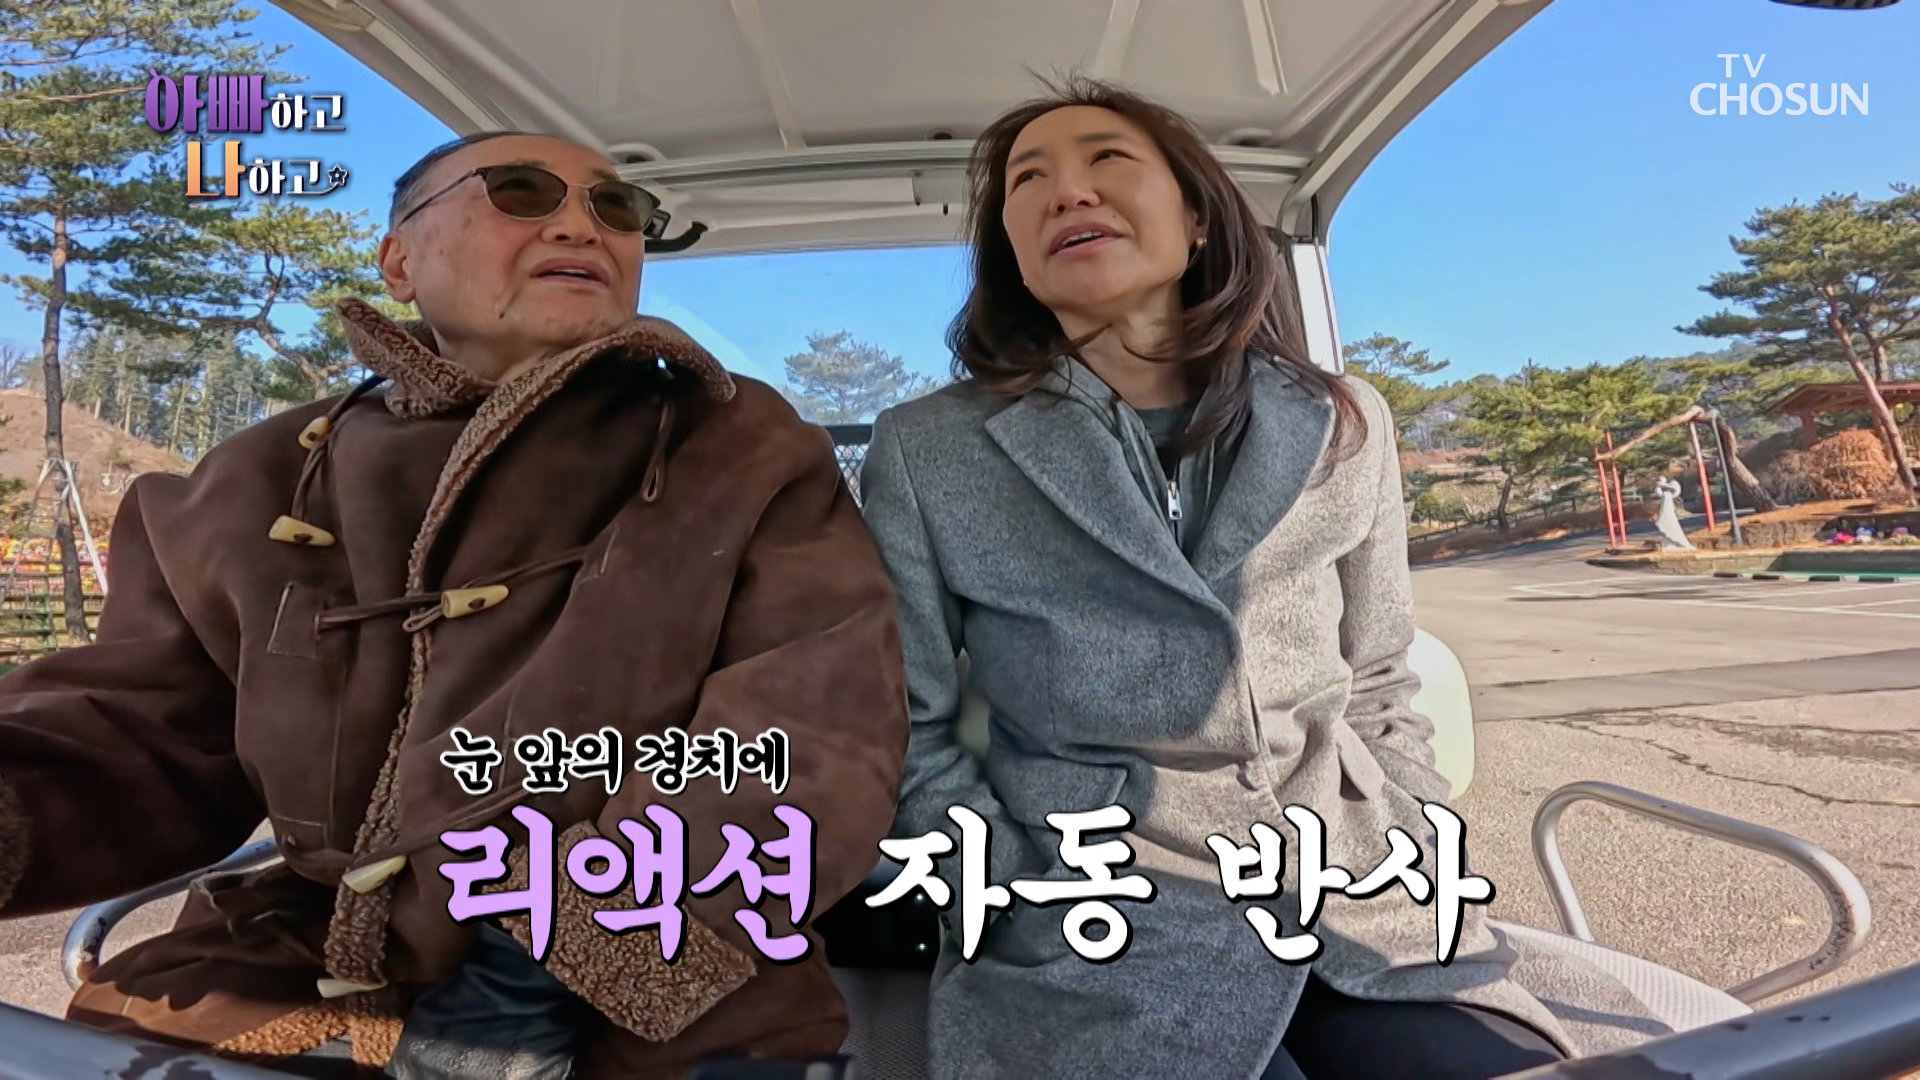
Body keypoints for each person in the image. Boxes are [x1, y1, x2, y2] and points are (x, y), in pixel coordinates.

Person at [0, 130, 908, 1078]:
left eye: (616, 207)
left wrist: (543, 968)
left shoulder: (741, 445)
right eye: (521, 191)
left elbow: (810, 735)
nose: (581, 225)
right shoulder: (262, 476)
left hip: (656, 991)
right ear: (399, 261)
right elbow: (139, 732)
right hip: (292, 967)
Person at [857, 77, 1673, 1080]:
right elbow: (901, 726)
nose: (1067, 191)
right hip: (1096, 910)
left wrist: (1417, 829)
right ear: (1014, 255)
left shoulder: (1344, 420)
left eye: (1107, 158)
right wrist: (1009, 889)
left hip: (1365, 890)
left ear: (1198, 219)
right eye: (1029, 181)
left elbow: (1380, 676)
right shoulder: (929, 449)